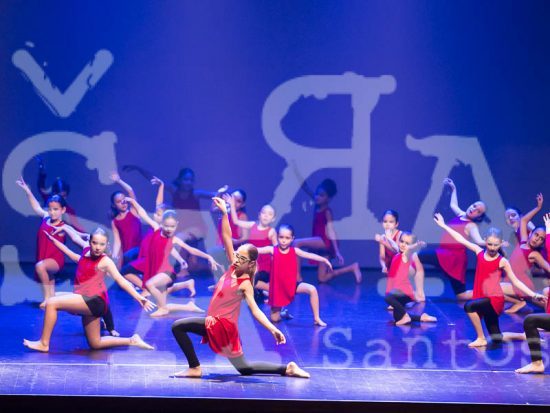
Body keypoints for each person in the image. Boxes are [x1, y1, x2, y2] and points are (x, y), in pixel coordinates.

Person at [170, 197, 310, 378]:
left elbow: (256, 310)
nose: (236, 258)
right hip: (224, 327)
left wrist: (272, 329)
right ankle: (287, 368)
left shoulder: (245, 283)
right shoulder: (233, 266)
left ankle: (194, 368)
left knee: (178, 327)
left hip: (220, 325)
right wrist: (225, 213)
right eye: (236, 255)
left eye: (241, 258)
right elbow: (227, 237)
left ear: (250, 264)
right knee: (245, 368)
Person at [23, 228, 156, 352]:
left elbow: (121, 280)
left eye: (102, 244)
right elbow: (75, 238)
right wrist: (61, 231)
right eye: (95, 243)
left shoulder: (105, 261)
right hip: (85, 299)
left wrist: (138, 297)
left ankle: (44, 343)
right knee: (95, 343)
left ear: (106, 245)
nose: (98, 247)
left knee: (52, 302)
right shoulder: (86, 251)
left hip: (94, 300)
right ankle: (132, 340)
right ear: (90, 242)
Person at [434, 213, 545, 347]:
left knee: (469, 306)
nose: (492, 248)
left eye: (496, 245)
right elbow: (460, 239)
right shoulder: (479, 252)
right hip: (481, 295)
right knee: (496, 337)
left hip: (494, 299)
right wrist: (443, 225)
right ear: (485, 240)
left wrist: (534, 294)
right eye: (490, 244)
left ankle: (481, 338)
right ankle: (523, 335)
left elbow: (516, 281)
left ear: (501, 243)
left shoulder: (502, 261)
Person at [125, 197, 221, 317]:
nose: (169, 229)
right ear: (161, 223)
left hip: (167, 273)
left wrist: (208, 257)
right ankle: (188, 306)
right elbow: (143, 213)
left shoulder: (174, 239)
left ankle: (164, 309)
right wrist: (134, 202)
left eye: (172, 226)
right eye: (166, 226)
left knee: (150, 285)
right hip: (156, 271)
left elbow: (191, 250)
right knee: (161, 303)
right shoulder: (156, 229)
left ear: (177, 225)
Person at [419, 178, 488, 300]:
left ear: (479, 216)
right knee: (461, 295)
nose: (474, 209)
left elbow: (479, 241)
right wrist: (454, 188)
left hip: (454, 258)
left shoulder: (471, 226)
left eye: (478, 211)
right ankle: (414, 292)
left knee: (461, 296)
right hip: (445, 253)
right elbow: (453, 205)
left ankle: (490, 292)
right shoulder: (461, 215)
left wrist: (492, 242)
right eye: (474, 206)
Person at [256, 224, 332, 325]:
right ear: (277, 237)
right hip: (279, 289)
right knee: (274, 319)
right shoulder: (272, 250)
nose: (284, 240)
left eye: (287, 238)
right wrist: (240, 251)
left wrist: (324, 260)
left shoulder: (294, 251)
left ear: (292, 238)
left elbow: (308, 255)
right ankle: (283, 313)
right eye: (281, 237)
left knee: (312, 289)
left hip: (292, 286)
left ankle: (316, 318)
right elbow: (256, 249)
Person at [16, 177, 67, 308]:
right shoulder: (46, 217)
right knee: (48, 277)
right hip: (43, 256)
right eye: (50, 209)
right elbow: (36, 206)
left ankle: (47, 299)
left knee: (40, 267)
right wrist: (27, 191)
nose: (52, 212)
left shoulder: (63, 226)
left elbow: (76, 235)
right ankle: (53, 300)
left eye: (56, 209)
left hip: (55, 260)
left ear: (63, 210)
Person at [384, 232, 436, 325]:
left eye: (407, 243)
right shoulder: (398, 254)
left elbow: (408, 249)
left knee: (388, 298)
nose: (403, 245)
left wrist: (416, 245)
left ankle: (405, 316)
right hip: (398, 290)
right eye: (402, 241)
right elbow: (395, 245)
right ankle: (422, 317)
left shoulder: (406, 256)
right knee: (397, 317)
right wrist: (388, 238)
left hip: (404, 291)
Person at [110, 172, 142, 267]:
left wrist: (119, 180)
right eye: (119, 202)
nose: (123, 203)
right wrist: (114, 256)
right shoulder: (115, 221)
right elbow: (117, 241)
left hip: (140, 251)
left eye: (124, 200)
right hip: (127, 255)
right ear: (114, 205)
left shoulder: (133, 211)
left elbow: (130, 191)